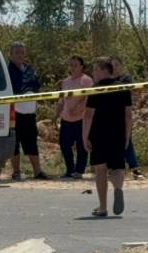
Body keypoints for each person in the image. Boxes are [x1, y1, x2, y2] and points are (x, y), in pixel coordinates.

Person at [83, 57, 132, 217]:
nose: (93, 73)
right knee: (117, 167)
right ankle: (118, 188)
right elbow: (128, 114)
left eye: (96, 70)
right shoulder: (123, 88)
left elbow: (88, 115)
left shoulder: (96, 89)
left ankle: (103, 207)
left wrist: (85, 136)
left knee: (100, 169)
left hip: (99, 133)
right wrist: (127, 135)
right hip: (117, 132)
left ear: (105, 70)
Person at [7, 42, 47, 180]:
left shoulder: (30, 69)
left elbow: (36, 85)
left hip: (30, 113)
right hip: (14, 113)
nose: (20, 55)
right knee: (15, 142)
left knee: (31, 142)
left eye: (22, 52)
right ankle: (16, 172)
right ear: (10, 54)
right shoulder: (7, 70)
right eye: (17, 52)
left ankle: (37, 171)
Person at [56, 56, 93, 179]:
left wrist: (77, 108)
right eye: (71, 65)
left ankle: (79, 170)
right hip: (66, 118)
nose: (73, 68)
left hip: (81, 118)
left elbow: (88, 99)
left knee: (81, 145)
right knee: (64, 143)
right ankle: (69, 169)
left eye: (75, 65)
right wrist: (56, 114)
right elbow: (62, 100)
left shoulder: (87, 81)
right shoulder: (65, 82)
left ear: (82, 66)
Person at [111, 56, 146, 180]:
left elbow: (129, 89)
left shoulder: (126, 79)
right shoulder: (106, 81)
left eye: (117, 65)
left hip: (123, 115)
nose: (114, 68)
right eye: (112, 65)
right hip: (108, 116)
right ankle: (113, 169)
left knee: (127, 142)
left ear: (121, 66)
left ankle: (135, 169)